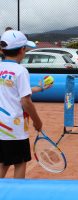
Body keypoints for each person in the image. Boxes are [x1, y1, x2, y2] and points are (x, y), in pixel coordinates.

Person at [0, 30, 43, 178]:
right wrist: (38, 122)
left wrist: (40, 88)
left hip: (1, 127)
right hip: (14, 128)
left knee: (3, 162)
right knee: (19, 162)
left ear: (2, 50)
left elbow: (10, 91)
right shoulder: (20, 70)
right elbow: (25, 100)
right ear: (22, 50)